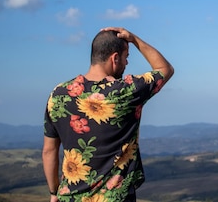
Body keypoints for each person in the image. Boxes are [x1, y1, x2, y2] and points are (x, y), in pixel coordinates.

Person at [42, 27, 174, 202]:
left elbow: (49, 150)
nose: (126, 64)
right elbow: (165, 68)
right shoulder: (125, 92)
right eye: (126, 57)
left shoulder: (58, 94)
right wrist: (134, 39)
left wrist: (53, 192)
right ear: (115, 58)